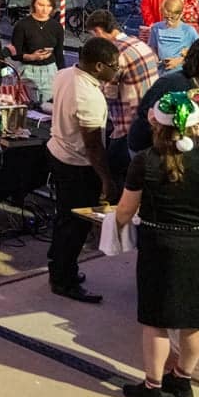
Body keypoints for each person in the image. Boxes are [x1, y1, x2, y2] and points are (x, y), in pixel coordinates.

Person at [115, 94, 199, 397]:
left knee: (156, 320)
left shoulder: (143, 161)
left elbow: (124, 211)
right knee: (194, 318)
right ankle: (183, 380)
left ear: (154, 124)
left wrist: (116, 226)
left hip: (160, 246)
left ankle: (152, 386)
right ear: (194, 126)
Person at [46, 37, 120, 304]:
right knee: (75, 225)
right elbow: (93, 146)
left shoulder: (65, 74)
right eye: (114, 66)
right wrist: (106, 180)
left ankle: (61, 268)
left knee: (64, 218)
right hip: (77, 165)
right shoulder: (89, 97)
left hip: (58, 151)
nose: (117, 71)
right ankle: (63, 279)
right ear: (99, 66)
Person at [85, 10, 159, 171]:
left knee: (116, 172)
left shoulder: (115, 54)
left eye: (93, 35)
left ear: (98, 31)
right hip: (150, 120)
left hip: (127, 127)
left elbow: (108, 93)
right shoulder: (139, 44)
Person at [10, 0, 65, 104]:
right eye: (41, 5)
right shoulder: (22, 25)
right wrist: (32, 57)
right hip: (29, 71)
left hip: (51, 71)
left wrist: (63, 76)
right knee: (27, 107)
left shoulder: (56, 27)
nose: (45, 9)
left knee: (49, 107)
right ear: (34, 4)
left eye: (48, 6)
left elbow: (59, 54)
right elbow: (15, 54)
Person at [148, 0, 199, 72]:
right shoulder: (156, 28)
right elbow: (152, 47)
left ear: (181, 14)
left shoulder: (188, 30)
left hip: (181, 72)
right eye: (165, 17)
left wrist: (180, 60)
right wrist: (155, 59)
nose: (169, 21)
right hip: (161, 71)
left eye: (173, 18)